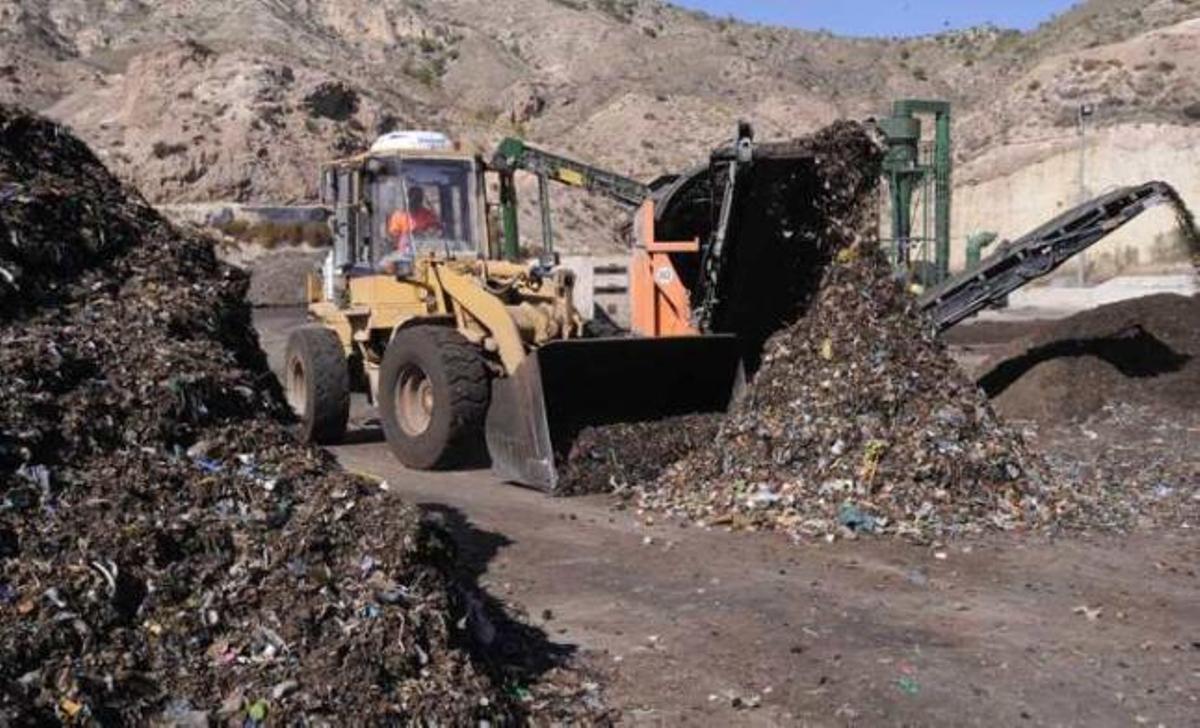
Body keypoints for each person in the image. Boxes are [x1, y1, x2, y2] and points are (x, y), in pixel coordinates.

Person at [387, 187, 441, 253]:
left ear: (421, 200)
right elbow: (394, 237)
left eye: (418, 198)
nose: (415, 201)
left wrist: (424, 232)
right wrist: (407, 235)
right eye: (413, 198)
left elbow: (435, 230)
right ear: (407, 199)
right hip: (404, 255)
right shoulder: (398, 216)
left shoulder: (428, 214)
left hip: (425, 252)